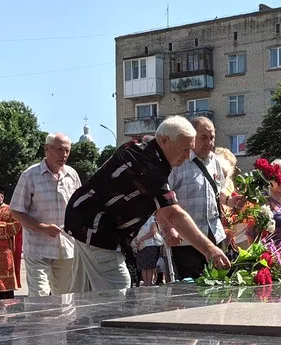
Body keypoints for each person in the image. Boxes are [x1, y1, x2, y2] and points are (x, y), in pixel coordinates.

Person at [64, 116, 230, 292]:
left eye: (190, 149)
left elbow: (153, 203)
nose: (188, 156)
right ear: (165, 141)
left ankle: (73, 319)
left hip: (82, 219)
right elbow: (173, 213)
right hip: (96, 228)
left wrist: (166, 229)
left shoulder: (147, 148)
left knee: (83, 294)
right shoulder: (148, 165)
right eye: (184, 149)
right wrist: (210, 249)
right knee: (117, 290)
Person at [11, 133, 81, 297]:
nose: (63, 155)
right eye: (59, 150)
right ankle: (38, 324)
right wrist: (41, 227)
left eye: (67, 151)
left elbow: (79, 207)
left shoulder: (72, 175)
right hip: (38, 249)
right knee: (40, 297)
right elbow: (16, 211)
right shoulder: (30, 175)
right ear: (46, 149)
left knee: (66, 297)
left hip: (67, 248)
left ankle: (63, 324)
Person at [168, 117, 227, 280]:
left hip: (216, 236)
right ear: (192, 137)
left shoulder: (215, 161)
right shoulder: (178, 162)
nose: (209, 142)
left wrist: (229, 201)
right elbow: (164, 200)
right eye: (204, 137)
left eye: (212, 137)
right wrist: (170, 229)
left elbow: (218, 191)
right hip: (188, 241)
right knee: (193, 294)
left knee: (220, 286)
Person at [132, 215, 162, 286]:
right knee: (143, 266)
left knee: (149, 266)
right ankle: (145, 283)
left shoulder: (151, 219)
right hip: (140, 246)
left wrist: (142, 239)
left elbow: (153, 232)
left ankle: (149, 283)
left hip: (149, 245)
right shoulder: (139, 219)